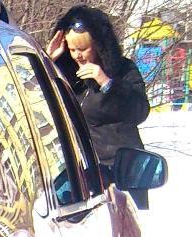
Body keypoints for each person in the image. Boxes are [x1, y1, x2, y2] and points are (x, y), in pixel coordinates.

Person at [47, 5, 152, 207]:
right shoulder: (63, 75)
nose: (77, 56)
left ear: (98, 46)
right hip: (80, 174)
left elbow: (139, 112)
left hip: (122, 172)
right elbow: (36, 100)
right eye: (72, 50)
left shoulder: (123, 70)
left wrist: (107, 83)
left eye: (83, 49)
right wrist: (48, 61)